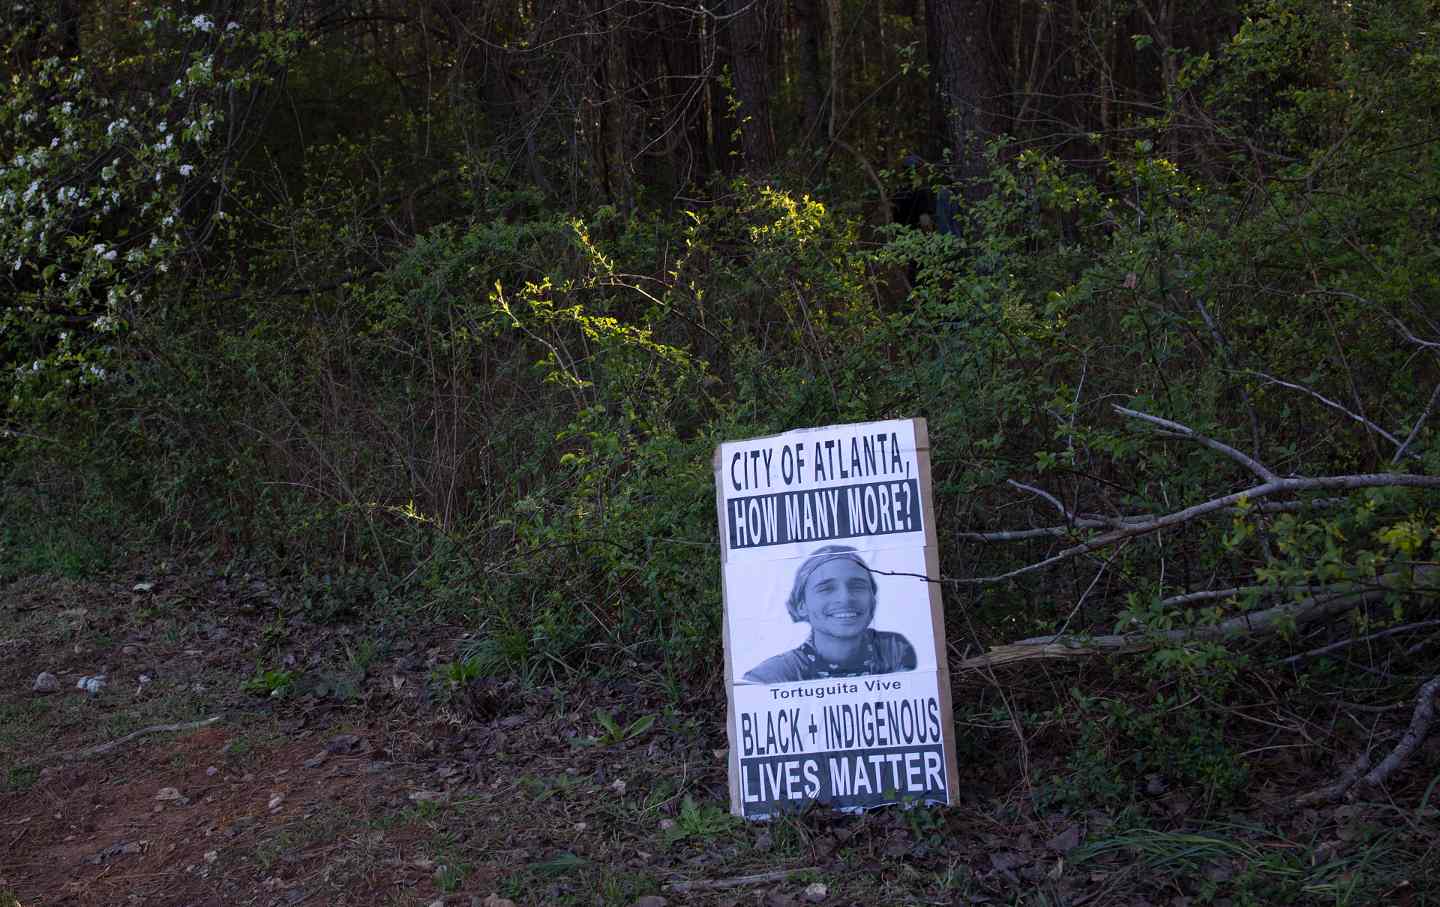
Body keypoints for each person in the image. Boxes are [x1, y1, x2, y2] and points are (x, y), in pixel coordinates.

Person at [743, 545, 917, 683]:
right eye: (826, 589)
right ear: (801, 605)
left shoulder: (895, 650)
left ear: (873, 598)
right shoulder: (769, 678)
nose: (846, 598)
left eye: (858, 586)